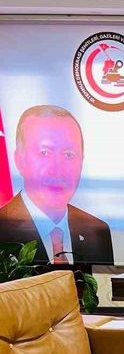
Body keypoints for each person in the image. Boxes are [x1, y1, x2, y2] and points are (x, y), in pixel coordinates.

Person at [0, 104, 113, 264]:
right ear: (19, 160)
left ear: (82, 161)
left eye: (69, 154)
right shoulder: (3, 228)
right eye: (44, 153)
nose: (58, 169)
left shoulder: (97, 231)